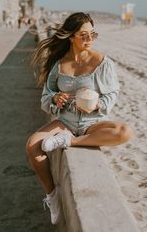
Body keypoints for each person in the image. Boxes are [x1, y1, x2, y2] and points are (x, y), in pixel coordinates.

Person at [26, 12, 133, 225]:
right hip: (64, 122)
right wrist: (55, 97)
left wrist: (97, 105)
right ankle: (52, 197)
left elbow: (112, 94)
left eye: (92, 34)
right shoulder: (58, 64)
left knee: (125, 132)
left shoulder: (102, 63)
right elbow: (46, 96)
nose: (89, 39)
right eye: (83, 35)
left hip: (93, 123)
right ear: (71, 36)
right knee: (32, 146)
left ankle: (70, 141)